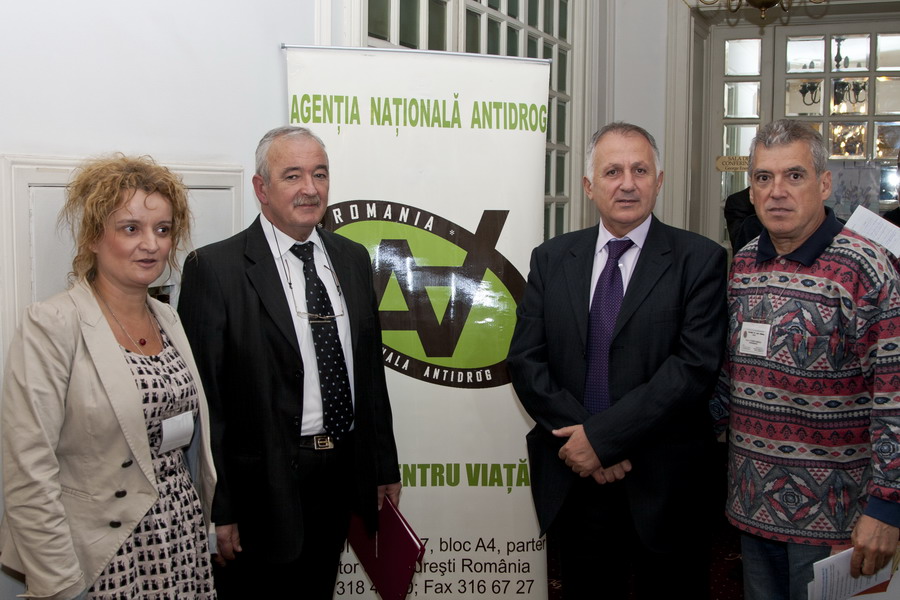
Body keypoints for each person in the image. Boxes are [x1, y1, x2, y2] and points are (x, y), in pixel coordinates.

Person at [177, 125, 401, 598]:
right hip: (261, 489)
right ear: (261, 188)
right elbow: (206, 402)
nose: (310, 189)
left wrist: (382, 466)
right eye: (293, 175)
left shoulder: (352, 259)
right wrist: (219, 506)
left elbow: (369, 373)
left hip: (340, 473)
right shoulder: (214, 269)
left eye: (320, 174)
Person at [507, 121, 728, 599]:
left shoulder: (700, 259)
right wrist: (585, 445)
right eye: (612, 172)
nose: (627, 183)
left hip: (665, 486)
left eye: (639, 170)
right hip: (575, 478)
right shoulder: (551, 258)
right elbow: (526, 361)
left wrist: (603, 440)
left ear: (659, 181)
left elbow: (693, 370)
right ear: (589, 186)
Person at [0, 155, 217, 599]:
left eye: (162, 229)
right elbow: (27, 471)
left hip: (180, 534)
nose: (151, 244)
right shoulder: (53, 324)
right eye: (130, 228)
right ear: (94, 237)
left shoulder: (168, 318)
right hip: (103, 551)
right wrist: (58, 584)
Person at [711, 119, 900, 600]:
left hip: (839, 521)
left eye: (794, 175)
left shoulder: (867, 268)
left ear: (824, 183)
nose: (777, 191)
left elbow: (894, 397)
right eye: (764, 177)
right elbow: (731, 378)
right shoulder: (745, 263)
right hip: (752, 507)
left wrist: (888, 507)